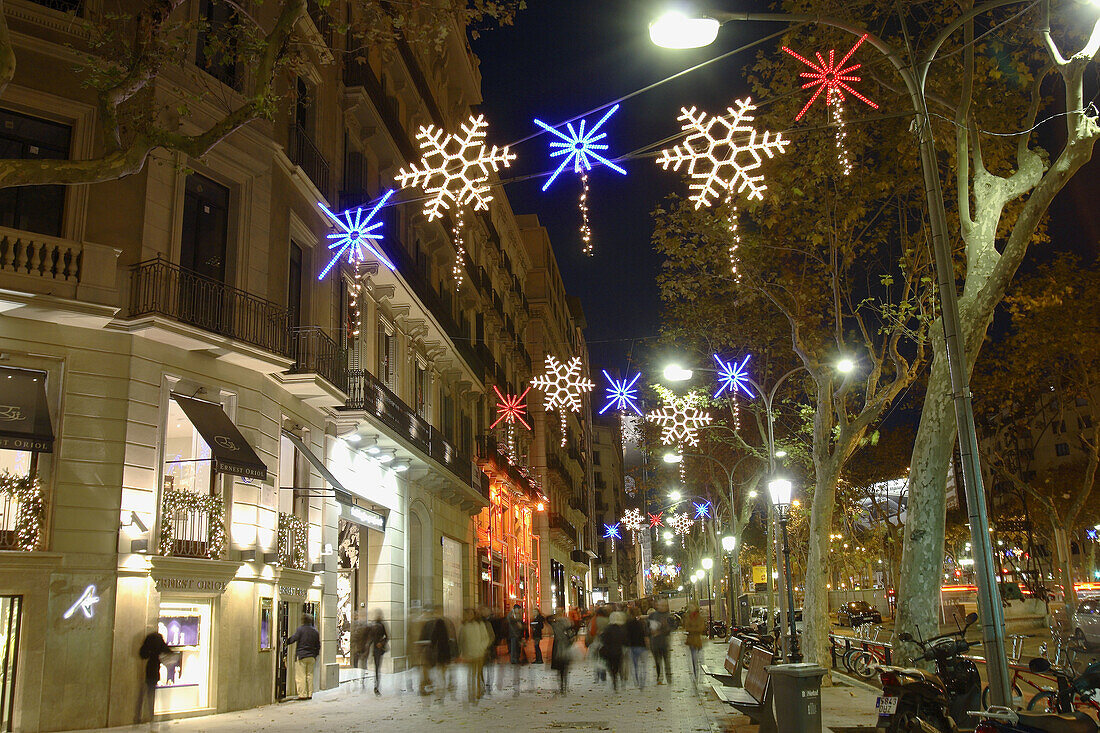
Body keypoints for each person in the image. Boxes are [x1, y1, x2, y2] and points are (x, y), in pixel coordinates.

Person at [136, 630, 171, 723]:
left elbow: (142, 654)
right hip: (155, 668)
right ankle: (150, 715)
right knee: (151, 692)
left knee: (145, 693)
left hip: (149, 668)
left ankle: (141, 715)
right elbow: (167, 651)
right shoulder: (159, 640)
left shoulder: (150, 640)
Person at [458, 608, 490, 703]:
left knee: (477, 674)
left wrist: (482, 648)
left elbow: (485, 638)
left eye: (471, 614)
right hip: (468, 654)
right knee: (471, 674)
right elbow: (461, 641)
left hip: (479, 653)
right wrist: (462, 652)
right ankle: (471, 693)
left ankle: (478, 692)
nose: (469, 616)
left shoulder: (479, 625)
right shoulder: (464, 627)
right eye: (467, 614)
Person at [286, 614, 320, 700]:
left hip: (302, 656)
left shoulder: (300, 630)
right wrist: (315, 655)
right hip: (311, 656)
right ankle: (310, 694)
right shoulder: (315, 631)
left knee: (301, 676)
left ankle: (302, 694)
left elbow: (294, 638)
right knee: (310, 675)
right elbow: (318, 645)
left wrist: (286, 641)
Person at [600, 610, 628, 691]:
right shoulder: (622, 629)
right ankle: (621, 679)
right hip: (619, 650)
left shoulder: (607, 629)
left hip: (609, 651)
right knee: (619, 665)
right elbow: (625, 640)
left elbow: (603, 639)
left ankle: (614, 679)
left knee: (610, 666)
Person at [648, 601, 673, 685]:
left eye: (664, 605)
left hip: (664, 642)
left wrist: (661, 631)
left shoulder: (668, 616)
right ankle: (659, 676)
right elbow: (647, 628)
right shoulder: (652, 616)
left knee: (667, 661)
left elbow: (671, 627)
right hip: (655, 642)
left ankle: (668, 677)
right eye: (661, 605)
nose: (663, 607)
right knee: (657, 661)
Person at [549, 612, 574, 695]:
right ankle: (564, 686)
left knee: (559, 670)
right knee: (564, 669)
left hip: (557, 648)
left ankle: (561, 686)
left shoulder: (555, 625)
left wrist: (554, 616)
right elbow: (572, 637)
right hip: (565, 648)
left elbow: (547, 619)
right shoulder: (568, 626)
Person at [624, 606, 649, 688]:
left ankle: (636, 681)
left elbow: (626, 635)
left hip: (632, 646)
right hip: (642, 646)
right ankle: (643, 681)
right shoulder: (643, 622)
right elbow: (646, 634)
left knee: (634, 665)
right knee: (643, 665)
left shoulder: (627, 623)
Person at [366, 609, 388, 695]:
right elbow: (370, 638)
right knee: (376, 667)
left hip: (378, 649)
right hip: (374, 648)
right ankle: (376, 686)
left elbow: (387, 636)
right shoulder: (374, 625)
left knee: (377, 667)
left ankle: (377, 686)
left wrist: (381, 643)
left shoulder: (381, 625)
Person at [683, 602, 706, 686]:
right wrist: (694, 628)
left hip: (697, 641)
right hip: (691, 641)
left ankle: (699, 673)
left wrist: (692, 629)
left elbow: (701, 628)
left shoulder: (699, 618)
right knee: (693, 658)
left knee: (699, 657)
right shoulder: (688, 617)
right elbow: (687, 627)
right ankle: (695, 673)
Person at [506, 603, 527, 695]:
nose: (519, 611)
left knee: (517, 647)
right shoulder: (510, 615)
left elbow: (521, 625)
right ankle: (513, 659)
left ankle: (517, 658)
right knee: (513, 647)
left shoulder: (518, 616)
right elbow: (511, 625)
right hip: (512, 635)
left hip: (517, 635)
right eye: (518, 609)